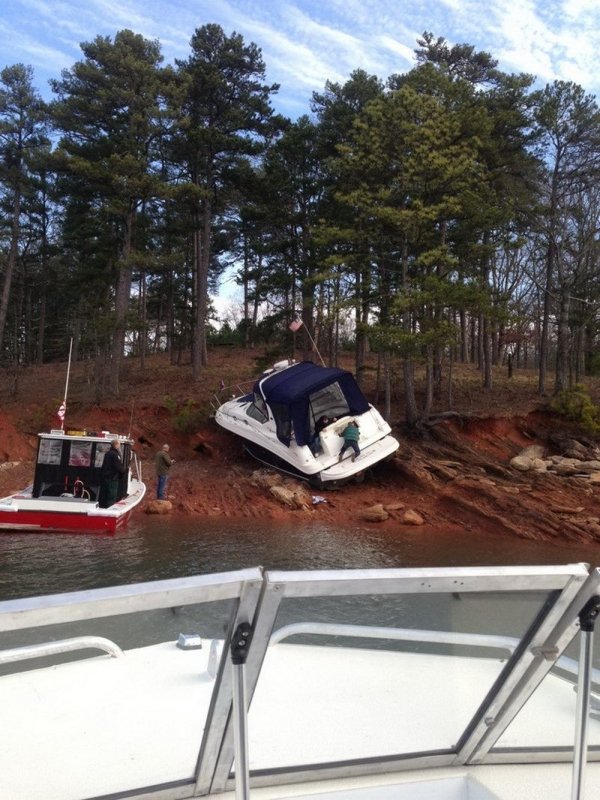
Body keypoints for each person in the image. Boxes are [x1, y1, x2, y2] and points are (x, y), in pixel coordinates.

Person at [100, 439, 127, 507]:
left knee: (104, 495)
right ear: (116, 445)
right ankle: (110, 510)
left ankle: (102, 508)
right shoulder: (115, 455)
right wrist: (123, 471)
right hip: (112, 478)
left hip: (105, 477)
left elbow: (104, 466)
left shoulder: (107, 453)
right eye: (119, 445)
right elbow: (118, 466)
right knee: (111, 496)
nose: (119, 446)